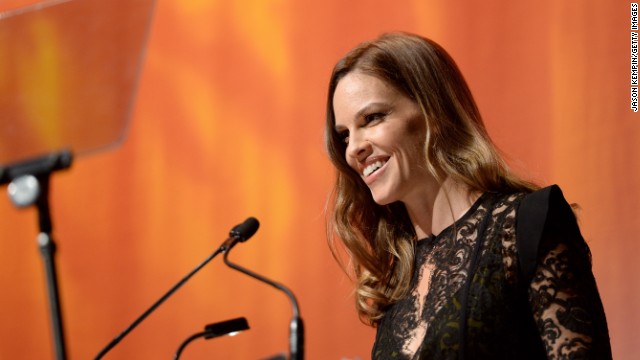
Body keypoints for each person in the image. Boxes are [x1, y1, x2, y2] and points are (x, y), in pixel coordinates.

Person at [324, 32, 612, 359]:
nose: (354, 149)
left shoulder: (527, 224)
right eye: (344, 135)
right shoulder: (396, 274)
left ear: (434, 109)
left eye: (372, 118)